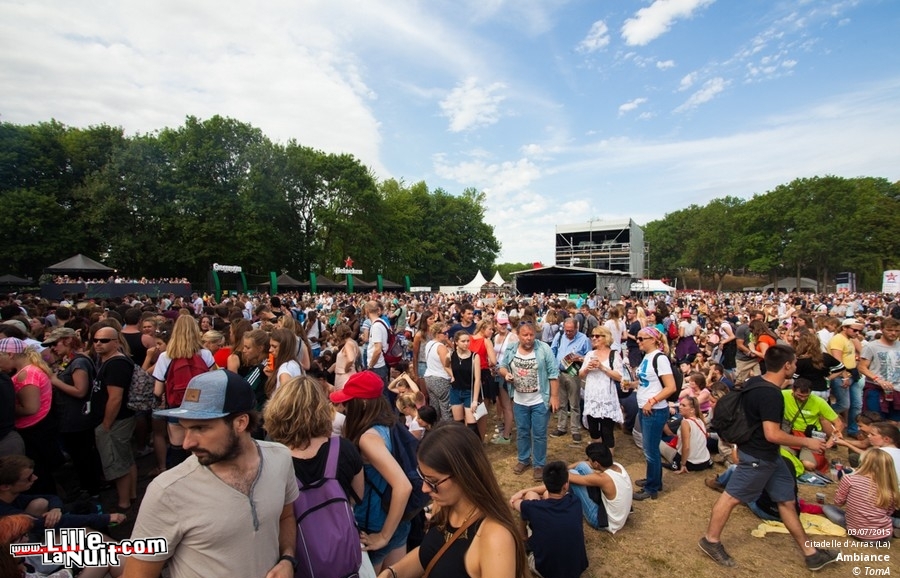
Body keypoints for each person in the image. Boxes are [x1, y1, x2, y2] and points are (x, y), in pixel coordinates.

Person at [125, 370, 299, 578]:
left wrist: (288, 559)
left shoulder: (280, 458)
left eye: (200, 428)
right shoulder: (166, 491)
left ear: (240, 423)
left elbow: (286, 516)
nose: (187, 442)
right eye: (185, 428)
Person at [699, 344, 839, 572]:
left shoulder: (756, 382)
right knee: (731, 497)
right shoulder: (771, 395)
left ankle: (811, 553)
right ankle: (710, 540)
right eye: (794, 363)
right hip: (758, 455)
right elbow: (772, 434)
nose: (796, 366)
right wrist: (807, 442)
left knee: (786, 500)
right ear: (786, 365)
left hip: (768, 456)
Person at [379, 423, 528, 578]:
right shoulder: (443, 507)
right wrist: (391, 573)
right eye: (422, 477)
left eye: (432, 481)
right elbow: (429, 552)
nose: (424, 488)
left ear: (464, 475)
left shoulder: (495, 538)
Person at [264, 374, 367, 569]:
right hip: (341, 555)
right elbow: (356, 496)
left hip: (294, 560)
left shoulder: (272, 460)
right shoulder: (344, 449)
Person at [330, 371, 412, 573]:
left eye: (349, 402)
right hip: (397, 520)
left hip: (375, 525)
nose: (344, 407)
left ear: (363, 404)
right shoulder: (388, 423)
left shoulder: (368, 438)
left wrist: (383, 535)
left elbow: (403, 486)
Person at [44, 327, 104, 498]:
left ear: (68, 340)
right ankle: (88, 486)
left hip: (78, 420)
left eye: (55, 343)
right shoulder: (68, 360)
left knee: (83, 456)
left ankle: (92, 489)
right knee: (79, 456)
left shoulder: (78, 362)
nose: (53, 348)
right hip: (69, 418)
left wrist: (54, 381)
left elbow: (80, 391)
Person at [0, 337, 61, 495]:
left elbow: (31, 408)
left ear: (10, 354)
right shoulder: (29, 370)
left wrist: (8, 408)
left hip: (34, 430)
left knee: (39, 474)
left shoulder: (27, 374)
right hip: (39, 429)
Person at [499, 322, 560, 482]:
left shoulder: (543, 349)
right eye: (525, 335)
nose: (528, 338)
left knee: (539, 434)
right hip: (519, 400)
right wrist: (506, 374)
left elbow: (553, 373)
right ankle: (523, 459)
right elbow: (502, 366)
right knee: (522, 431)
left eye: (531, 335)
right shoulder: (512, 349)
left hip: (540, 399)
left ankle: (539, 464)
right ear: (518, 335)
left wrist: (554, 396)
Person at [509, 461, 588, 578]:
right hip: (576, 568)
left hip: (546, 570)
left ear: (545, 482)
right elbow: (549, 492)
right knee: (540, 497)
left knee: (531, 496)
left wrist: (521, 493)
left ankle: (523, 536)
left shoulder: (533, 508)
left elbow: (514, 503)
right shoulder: (575, 501)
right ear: (566, 485)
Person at [631, 327, 678, 500]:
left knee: (651, 451)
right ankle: (654, 480)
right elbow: (647, 382)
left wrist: (652, 401)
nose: (638, 341)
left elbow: (670, 387)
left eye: (642, 338)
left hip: (654, 410)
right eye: (638, 338)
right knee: (649, 448)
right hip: (646, 408)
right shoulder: (647, 358)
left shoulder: (660, 358)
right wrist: (631, 385)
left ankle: (652, 488)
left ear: (652, 339)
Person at [822, 448, 899, 541]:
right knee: (887, 517)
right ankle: (894, 526)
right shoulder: (889, 488)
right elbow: (888, 512)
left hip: (856, 531)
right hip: (884, 537)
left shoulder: (849, 479)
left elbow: (838, 503)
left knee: (827, 508)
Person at [781, 378, 842, 472]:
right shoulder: (783, 395)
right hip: (791, 435)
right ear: (793, 389)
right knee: (783, 461)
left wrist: (831, 439)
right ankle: (797, 455)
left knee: (809, 465)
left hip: (811, 437)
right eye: (800, 395)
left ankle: (802, 456)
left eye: (806, 396)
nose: (802, 398)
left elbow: (838, 423)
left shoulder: (819, 402)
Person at [577, 326, 623, 452]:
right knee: (593, 430)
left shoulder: (614, 355)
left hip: (606, 397)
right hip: (591, 396)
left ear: (605, 338)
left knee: (607, 431)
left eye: (597, 336)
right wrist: (587, 369)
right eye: (592, 336)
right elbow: (580, 374)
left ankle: (608, 459)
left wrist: (602, 367)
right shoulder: (590, 354)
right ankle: (597, 455)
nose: (594, 338)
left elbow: (619, 376)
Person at [550, 319, 591, 443]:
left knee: (574, 403)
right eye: (566, 330)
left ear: (576, 328)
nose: (568, 333)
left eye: (570, 331)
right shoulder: (560, 335)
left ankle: (575, 429)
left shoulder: (584, 339)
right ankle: (561, 427)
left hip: (573, 373)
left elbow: (589, 357)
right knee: (561, 402)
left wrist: (580, 358)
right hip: (559, 372)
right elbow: (553, 350)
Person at [859, 317, 900, 421]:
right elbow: (862, 367)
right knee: (876, 421)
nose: (893, 333)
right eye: (890, 330)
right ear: (882, 329)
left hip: (897, 389)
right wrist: (878, 379)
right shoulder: (871, 346)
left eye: (897, 331)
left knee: (895, 422)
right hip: (876, 388)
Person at [661, 397, 713, 473]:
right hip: (704, 461)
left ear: (692, 409)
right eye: (680, 404)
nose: (680, 407)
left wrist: (683, 464)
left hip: (690, 463)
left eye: (683, 405)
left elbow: (686, 447)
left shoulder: (685, 422)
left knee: (656, 443)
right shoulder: (700, 421)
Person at [448, 331, 482, 439]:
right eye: (463, 341)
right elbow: (445, 365)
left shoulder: (474, 356)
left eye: (468, 341)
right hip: (455, 391)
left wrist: (475, 400)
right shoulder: (451, 355)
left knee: (472, 424)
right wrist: (451, 375)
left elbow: (477, 379)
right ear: (456, 342)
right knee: (458, 423)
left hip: (469, 391)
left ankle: (475, 447)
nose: (466, 343)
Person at [422, 322, 453, 423]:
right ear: (437, 334)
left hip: (429, 378)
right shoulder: (441, 347)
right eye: (445, 333)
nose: (447, 335)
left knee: (434, 408)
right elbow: (446, 366)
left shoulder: (429, 344)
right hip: (441, 379)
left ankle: (434, 429)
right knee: (446, 409)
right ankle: (448, 431)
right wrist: (453, 376)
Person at [331, 322, 360, 390]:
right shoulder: (353, 342)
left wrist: (346, 368)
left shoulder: (348, 344)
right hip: (348, 374)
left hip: (344, 376)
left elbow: (351, 359)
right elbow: (357, 356)